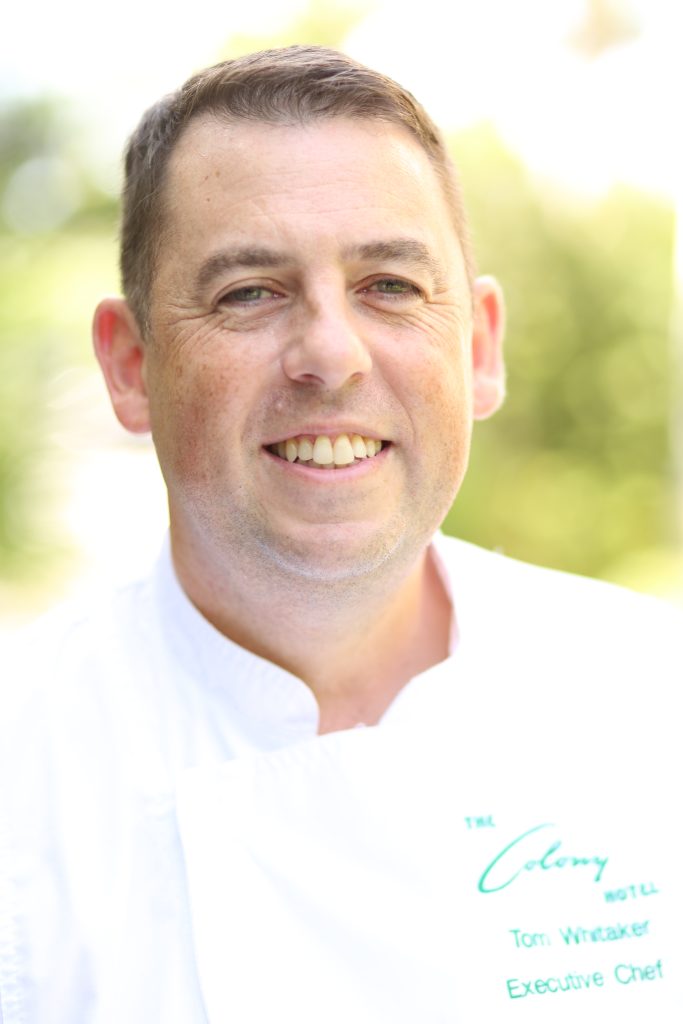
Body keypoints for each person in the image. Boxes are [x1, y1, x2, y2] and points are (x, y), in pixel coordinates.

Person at [1, 45, 681, 1024]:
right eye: (248, 292)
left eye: (389, 286)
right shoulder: (18, 775)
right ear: (129, 365)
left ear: (479, 348)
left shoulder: (651, 698)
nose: (328, 352)